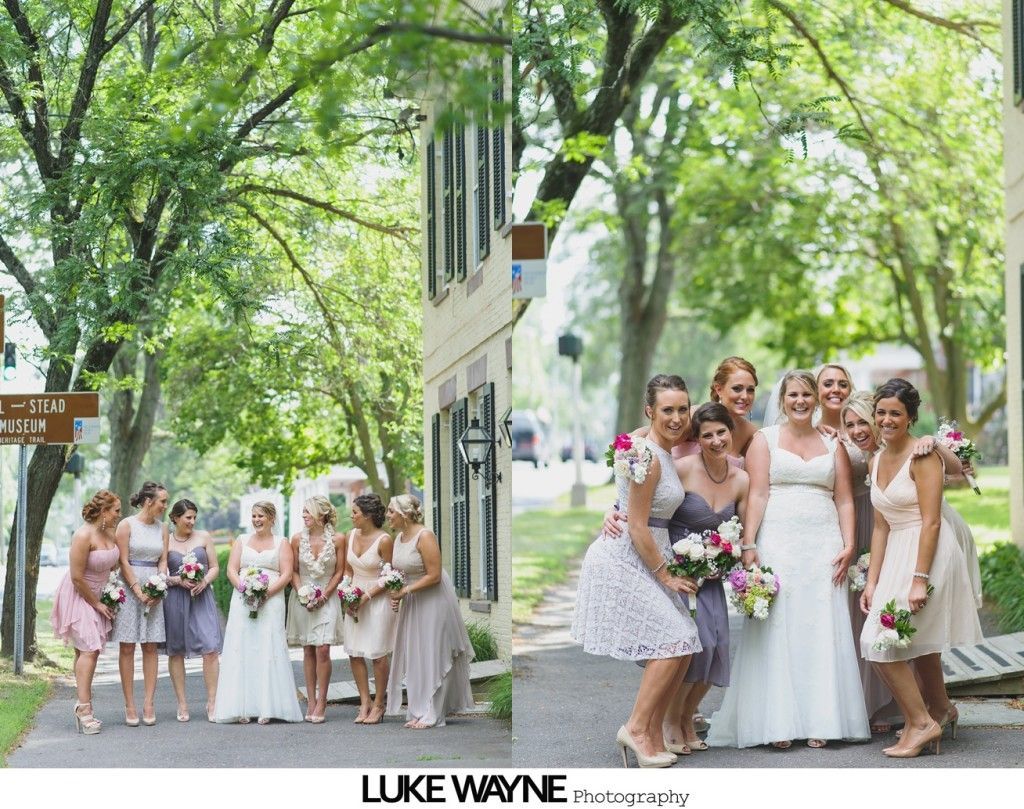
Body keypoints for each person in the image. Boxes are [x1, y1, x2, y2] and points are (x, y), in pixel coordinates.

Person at [707, 370, 869, 749]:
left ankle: (822, 720)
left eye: (807, 395)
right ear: (783, 398)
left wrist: (848, 544)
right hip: (778, 539)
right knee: (780, 624)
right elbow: (758, 494)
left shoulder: (833, 444)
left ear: (815, 400)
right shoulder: (765, 440)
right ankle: (776, 721)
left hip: (823, 543)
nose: (800, 401)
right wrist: (748, 544)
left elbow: (844, 498)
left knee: (820, 625)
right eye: (793, 394)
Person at [572, 374, 701, 768]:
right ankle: (637, 728)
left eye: (682, 409)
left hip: (645, 552)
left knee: (684, 643)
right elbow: (638, 524)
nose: (677, 418)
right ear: (650, 410)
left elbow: (625, 498)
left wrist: (615, 505)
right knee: (676, 638)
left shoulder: (642, 443)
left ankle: (654, 731)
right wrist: (665, 576)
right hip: (626, 558)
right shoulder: (644, 452)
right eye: (667, 410)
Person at [860, 379, 983, 757]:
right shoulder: (875, 458)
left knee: (879, 641)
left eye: (895, 413)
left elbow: (931, 522)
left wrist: (919, 580)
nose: (886, 419)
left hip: (926, 554)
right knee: (919, 645)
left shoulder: (923, 456)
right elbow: (881, 525)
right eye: (881, 412)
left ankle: (920, 724)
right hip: (896, 547)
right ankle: (942, 710)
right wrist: (872, 579)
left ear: (911, 417)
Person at [385, 494, 475, 728]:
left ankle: (434, 713)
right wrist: (396, 592)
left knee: (434, 654)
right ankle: (419, 709)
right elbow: (401, 573)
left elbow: (434, 576)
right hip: (413, 601)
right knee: (416, 655)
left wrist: (405, 591)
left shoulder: (425, 536)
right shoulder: (398, 539)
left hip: (434, 600)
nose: (387, 516)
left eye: (391, 511)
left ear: (404, 514)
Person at [213, 501, 303, 724]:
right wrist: (244, 588)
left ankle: (267, 706)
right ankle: (241, 706)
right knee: (242, 647)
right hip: (242, 599)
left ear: (272, 518)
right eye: (254, 516)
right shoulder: (242, 541)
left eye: (261, 516)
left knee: (267, 647)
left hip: (270, 601)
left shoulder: (282, 543)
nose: (256, 520)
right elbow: (232, 569)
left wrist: (266, 593)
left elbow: (286, 574)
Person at [50, 490, 123, 734]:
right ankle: (84, 709)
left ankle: (83, 701)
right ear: (104, 512)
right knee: (91, 649)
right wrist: (98, 604)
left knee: (85, 651)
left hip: (100, 593)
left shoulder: (110, 533)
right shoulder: (82, 535)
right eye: (116, 510)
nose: (118, 515)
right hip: (80, 594)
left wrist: (112, 592)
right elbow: (77, 577)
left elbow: (113, 565)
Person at [112, 481, 169, 726]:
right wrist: (136, 588)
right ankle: (130, 704)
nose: (165, 506)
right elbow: (123, 561)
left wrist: (159, 585)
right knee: (127, 647)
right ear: (149, 501)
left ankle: (148, 703)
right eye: (163, 501)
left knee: (150, 647)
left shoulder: (163, 528)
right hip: (129, 585)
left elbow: (163, 560)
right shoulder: (126, 525)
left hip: (154, 588)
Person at [287, 495, 347, 723]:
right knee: (308, 649)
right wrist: (302, 592)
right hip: (302, 597)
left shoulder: (339, 539)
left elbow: (339, 572)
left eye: (308, 512)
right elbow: (292, 570)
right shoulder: (295, 540)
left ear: (321, 514)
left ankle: (323, 700)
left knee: (323, 648)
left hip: (327, 596)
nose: (304, 516)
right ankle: (311, 699)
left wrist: (324, 596)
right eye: (302, 512)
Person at [163, 499, 223, 723]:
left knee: (210, 648)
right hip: (176, 599)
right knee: (176, 650)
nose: (192, 521)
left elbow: (215, 567)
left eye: (194, 517)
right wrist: (177, 580)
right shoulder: (165, 541)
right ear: (176, 518)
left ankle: (212, 701)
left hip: (202, 596)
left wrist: (205, 580)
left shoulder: (204, 537)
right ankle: (182, 703)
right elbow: (161, 573)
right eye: (188, 517)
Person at [343, 493, 397, 725]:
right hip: (354, 597)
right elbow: (348, 570)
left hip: (376, 599)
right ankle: (364, 702)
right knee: (354, 653)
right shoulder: (350, 535)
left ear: (367, 516)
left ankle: (379, 704)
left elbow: (390, 575)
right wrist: (346, 593)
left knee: (377, 654)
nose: (351, 516)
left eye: (355, 513)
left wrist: (366, 596)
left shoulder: (384, 540)